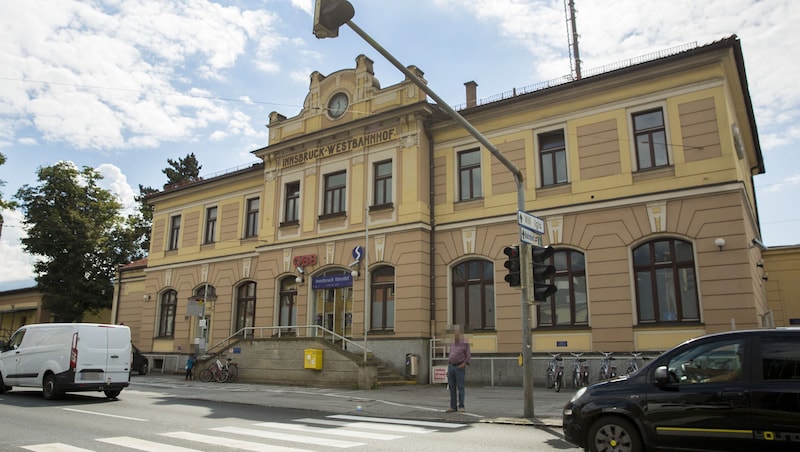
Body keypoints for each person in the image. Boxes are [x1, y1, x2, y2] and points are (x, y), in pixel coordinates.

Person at [446, 325, 471, 413]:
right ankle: (453, 406)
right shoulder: (452, 343)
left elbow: (468, 356)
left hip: (459, 366)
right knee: (451, 387)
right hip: (451, 366)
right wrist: (448, 368)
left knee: (460, 387)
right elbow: (450, 355)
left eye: (457, 332)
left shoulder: (465, 343)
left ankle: (461, 406)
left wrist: (464, 364)